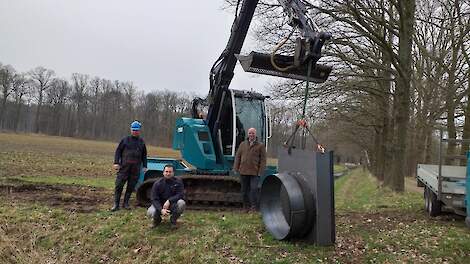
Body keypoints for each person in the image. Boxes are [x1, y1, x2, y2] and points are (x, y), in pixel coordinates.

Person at [111, 120, 148, 211]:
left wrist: (145, 166)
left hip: (135, 169)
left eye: (137, 130)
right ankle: (116, 204)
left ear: (139, 131)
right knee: (119, 185)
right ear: (130, 130)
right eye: (133, 130)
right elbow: (118, 151)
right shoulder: (125, 140)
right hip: (124, 168)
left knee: (131, 187)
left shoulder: (141, 142)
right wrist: (116, 162)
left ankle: (126, 203)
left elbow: (144, 155)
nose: (135, 131)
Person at [233, 127, 267, 211]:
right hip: (243, 171)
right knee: (244, 191)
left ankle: (254, 207)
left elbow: (263, 160)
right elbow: (238, 157)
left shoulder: (261, 146)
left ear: (255, 134)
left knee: (254, 190)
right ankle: (245, 207)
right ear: (248, 134)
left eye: (253, 133)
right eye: (250, 133)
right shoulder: (242, 144)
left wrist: (260, 171)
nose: (251, 135)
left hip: (254, 173)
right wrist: (235, 168)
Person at [147, 164, 186, 229]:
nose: (168, 174)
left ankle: (173, 220)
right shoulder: (157, 183)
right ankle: (157, 220)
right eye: (166, 171)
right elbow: (154, 199)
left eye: (170, 172)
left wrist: (169, 201)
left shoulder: (178, 182)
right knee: (150, 212)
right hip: (160, 204)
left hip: (172, 204)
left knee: (181, 203)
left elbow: (180, 194)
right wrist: (161, 209)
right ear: (163, 172)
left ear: (173, 173)